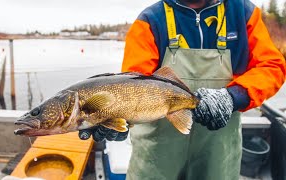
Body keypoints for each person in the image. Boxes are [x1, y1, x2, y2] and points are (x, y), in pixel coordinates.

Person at [79, 0, 286, 179]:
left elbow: (272, 66)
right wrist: (117, 121)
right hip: (158, 151)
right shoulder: (150, 20)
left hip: (218, 150)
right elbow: (133, 86)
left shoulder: (244, 13)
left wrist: (233, 97)